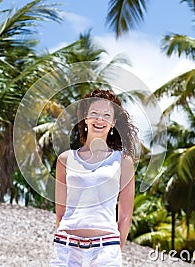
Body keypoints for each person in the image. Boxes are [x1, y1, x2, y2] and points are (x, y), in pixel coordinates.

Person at [49, 88, 138, 266]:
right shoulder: (65, 160)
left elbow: (126, 214)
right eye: (94, 113)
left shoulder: (123, 161)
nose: (100, 119)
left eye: (106, 115)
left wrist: (114, 251)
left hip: (106, 250)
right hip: (66, 249)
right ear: (85, 118)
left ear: (113, 122)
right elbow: (60, 212)